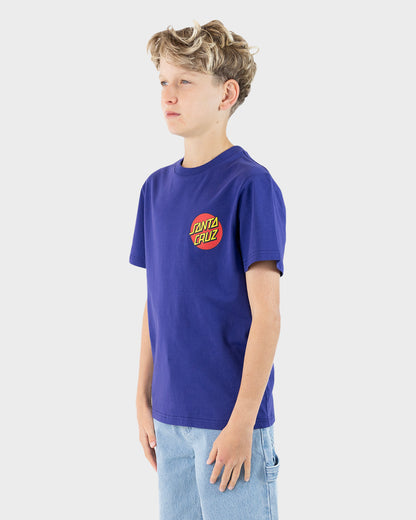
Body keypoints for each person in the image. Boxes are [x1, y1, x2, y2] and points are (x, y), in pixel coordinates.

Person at [129, 19, 286, 520]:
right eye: (163, 81)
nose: (168, 94)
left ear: (226, 94)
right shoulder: (155, 191)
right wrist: (142, 400)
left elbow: (268, 317)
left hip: (229, 422)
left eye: (185, 81)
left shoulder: (249, 185)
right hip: (169, 421)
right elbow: (157, 302)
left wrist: (242, 424)